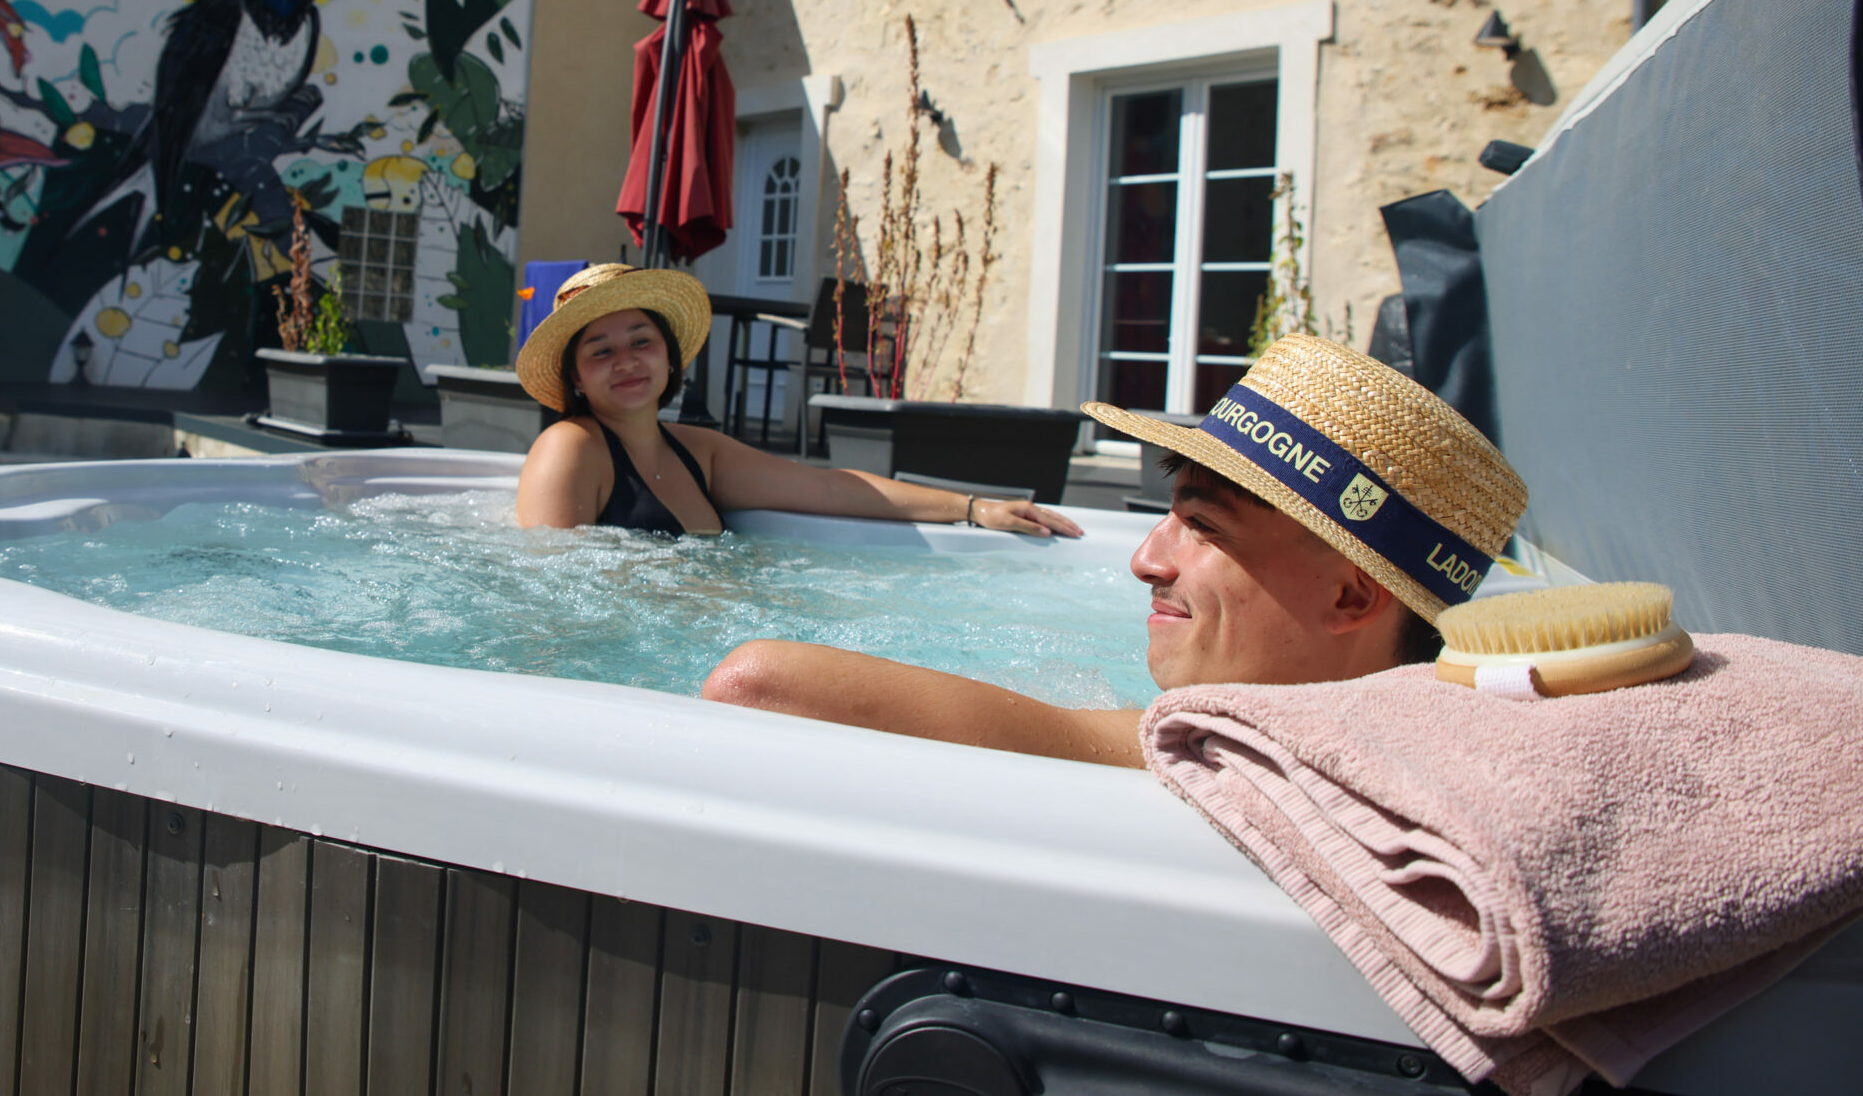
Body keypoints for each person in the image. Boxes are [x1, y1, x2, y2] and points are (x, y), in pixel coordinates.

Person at [700, 333, 1529, 768]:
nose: (1144, 559)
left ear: (1353, 598)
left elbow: (758, 683)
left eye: (1203, 525)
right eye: (1169, 516)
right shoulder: (1418, 719)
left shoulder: (1233, 752)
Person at [512, 263, 1081, 539]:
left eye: (642, 341)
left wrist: (973, 507)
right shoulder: (570, 448)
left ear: (668, 355)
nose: (628, 361)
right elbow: (552, 587)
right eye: (601, 351)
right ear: (577, 379)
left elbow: (830, 487)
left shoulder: (697, 450)